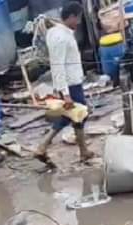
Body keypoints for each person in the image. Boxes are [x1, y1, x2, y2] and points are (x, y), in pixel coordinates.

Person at [36, 2, 94, 165]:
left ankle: (82, 151)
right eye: (78, 18)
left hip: (72, 83)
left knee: (75, 116)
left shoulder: (59, 32)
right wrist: (65, 93)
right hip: (70, 85)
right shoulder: (60, 37)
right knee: (76, 115)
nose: (79, 22)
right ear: (70, 17)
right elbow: (57, 66)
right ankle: (43, 146)